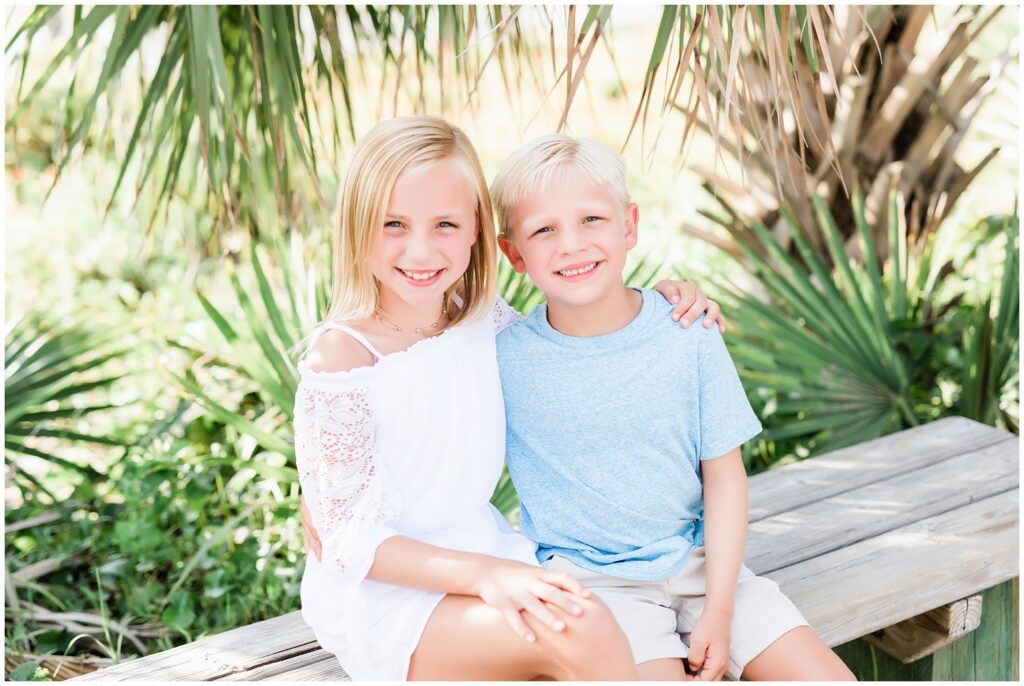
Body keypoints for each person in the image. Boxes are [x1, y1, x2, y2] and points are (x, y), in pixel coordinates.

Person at [293, 116, 725, 681]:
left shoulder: (485, 322)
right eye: (393, 224)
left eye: (445, 224)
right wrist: (484, 577)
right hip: (390, 593)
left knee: (605, 617)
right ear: (355, 226)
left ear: (476, 230)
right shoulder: (344, 359)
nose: (420, 251)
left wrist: (660, 305)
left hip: (490, 550)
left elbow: (576, 344)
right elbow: (341, 540)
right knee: (583, 627)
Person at [486, 133, 857, 681]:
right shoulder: (503, 361)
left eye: (592, 219)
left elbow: (725, 479)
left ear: (629, 225)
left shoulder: (687, 330)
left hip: (705, 568)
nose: (571, 244)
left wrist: (722, 608)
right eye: (544, 230)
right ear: (514, 253)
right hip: (595, 588)